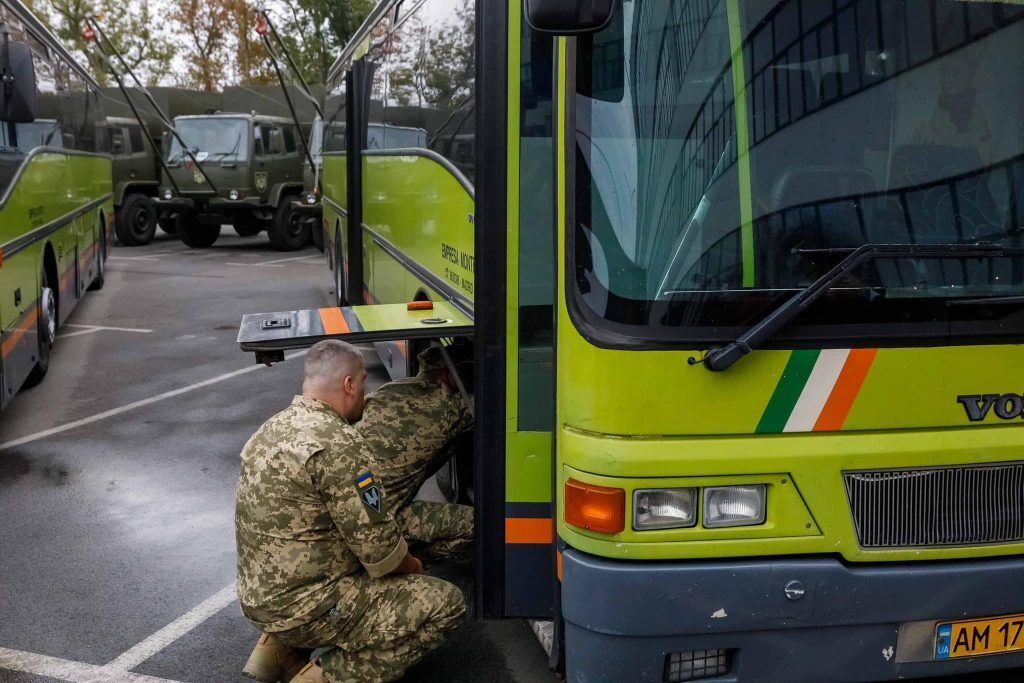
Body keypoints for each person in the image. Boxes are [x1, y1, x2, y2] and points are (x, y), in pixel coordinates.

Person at [235, 340, 466, 683]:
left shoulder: (269, 429)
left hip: (258, 599)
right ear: (349, 385)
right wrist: (413, 567)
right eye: (363, 382)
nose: (365, 392)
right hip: (309, 608)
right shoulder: (341, 444)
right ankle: (324, 676)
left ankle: (275, 654)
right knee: (446, 603)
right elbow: (380, 549)